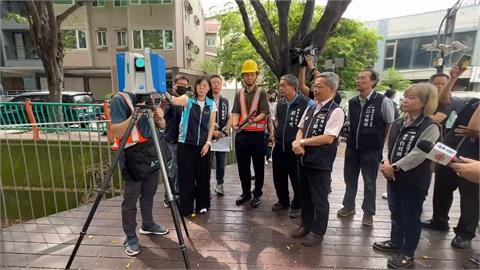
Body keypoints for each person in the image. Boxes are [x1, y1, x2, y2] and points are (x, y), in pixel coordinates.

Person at [373, 83, 440, 269]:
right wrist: (386, 162)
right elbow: (388, 145)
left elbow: (419, 154)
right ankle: (395, 242)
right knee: (396, 211)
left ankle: (408, 253)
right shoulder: (398, 122)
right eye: (405, 96)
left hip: (413, 181)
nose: (405, 100)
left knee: (411, 216)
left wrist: (394, 167)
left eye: (412, 98)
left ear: (425, 102)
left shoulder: (430, 126)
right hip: (392, 177)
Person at [110, 92, 169, 256]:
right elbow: (115, 132)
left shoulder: (150, 96)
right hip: (132, 156)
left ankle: (148, 224)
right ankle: (130, 236)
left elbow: (162, 126)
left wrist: (159, 117)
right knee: (131, 199)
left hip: (150, 151)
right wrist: (137, 113)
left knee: (149, 193)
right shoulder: (119, 100)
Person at [290, 72, 345, 247]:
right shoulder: (312, 107)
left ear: (331, 88)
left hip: (320, 162)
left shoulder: (336, 111)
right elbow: (301, 127)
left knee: (319, 198)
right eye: (315, 85)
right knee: (304, 195)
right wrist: (298, 142)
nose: (315, 88)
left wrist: (302, 142)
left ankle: (318, 232)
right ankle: (305, 225)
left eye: (319, 86)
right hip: (304, 159)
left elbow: (329, 137)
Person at [338, 69, 395, 227]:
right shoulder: (353, 101)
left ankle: (368, 213)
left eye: (363, 78)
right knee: (350, 179)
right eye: (358, 77)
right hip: (352, 147)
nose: (358, 80)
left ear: (373, 82)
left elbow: (389, 124)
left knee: (369, 182)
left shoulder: (383, 101)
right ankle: (348, 206)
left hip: (371, 149)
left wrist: (381, 144)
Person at [167, 76, 217, 216]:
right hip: (186, 144)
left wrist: (208, 143)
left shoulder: (211, 104)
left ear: (208, 88)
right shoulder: (188, 100)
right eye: (199, 85)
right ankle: (186, 207)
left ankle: (203, 204)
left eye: (205, 86)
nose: (202, 88)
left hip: (203, 145)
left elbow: (211, 125)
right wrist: (165, 93)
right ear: (195, 87)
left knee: (203, 176)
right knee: (186, 177)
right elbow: (174, 100)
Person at [271, 74, 313, 219]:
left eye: (284, 85)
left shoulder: (307, 103)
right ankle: (283, 201)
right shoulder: (280, 103)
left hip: (295, 148)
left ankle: (298, 204)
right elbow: (278, 122)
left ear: (293, 86)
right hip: (279, 147)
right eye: (280, 85)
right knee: (279, 176)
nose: (280, 88)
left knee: (296, 178)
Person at [231, 59, 270, 208]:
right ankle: (245, 192)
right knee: (243, 166)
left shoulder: (261, 92)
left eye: (252, 74)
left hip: (258, 135)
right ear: (243, 76)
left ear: (256, 75)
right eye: (246, 75)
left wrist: (251, 122)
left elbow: (264, 113)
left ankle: (257, 193)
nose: (249, 77)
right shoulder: (238, 94)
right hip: (242, 135)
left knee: (259, 166)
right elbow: (235, 112)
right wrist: (235, 125)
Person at [164, 75, 189, 199]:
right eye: (180, 85)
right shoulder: (167, 100)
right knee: (173, 166)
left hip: (184, 140)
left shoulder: (187, 100)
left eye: (185, 85)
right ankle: (168, 194)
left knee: (181, 166)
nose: (182, 87)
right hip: (172, 139)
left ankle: (178, 191)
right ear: (174, 85)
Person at [209, 75, 231, 196]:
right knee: (207, 162)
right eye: (213, 83)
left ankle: (220, 184)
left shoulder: (225, 101)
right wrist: (212, 131)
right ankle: (205, 185)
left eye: (218, 83)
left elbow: (230, 117)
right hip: (208, 137)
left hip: (222, 137)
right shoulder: (206, 99)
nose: (216, 85)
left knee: (221, 162)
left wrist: (227, 128)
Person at [266, 89, 278, 164]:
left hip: (275, 123)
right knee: (268, 139)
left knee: (273, 140)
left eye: (273, 94)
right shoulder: (266, 104)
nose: (272, 96)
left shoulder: (277, 104)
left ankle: (270, 156)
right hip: (267, 122)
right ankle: (267, 157)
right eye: (270, 94)